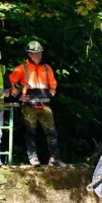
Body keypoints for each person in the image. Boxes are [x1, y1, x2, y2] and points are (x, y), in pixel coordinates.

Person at [9, 39, 66, 167]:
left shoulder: (47, 68)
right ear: (29, 54)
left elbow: (53, 84)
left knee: (51, 132)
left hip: (45, 105)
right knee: (30, 132)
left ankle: (54, 159)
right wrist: (18, 96)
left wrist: (50, 95)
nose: (38, 55)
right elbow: (9, 83)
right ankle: (33, 158)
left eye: (40, 53)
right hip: (29, 106)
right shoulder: (21, 69)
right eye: (35, 53)